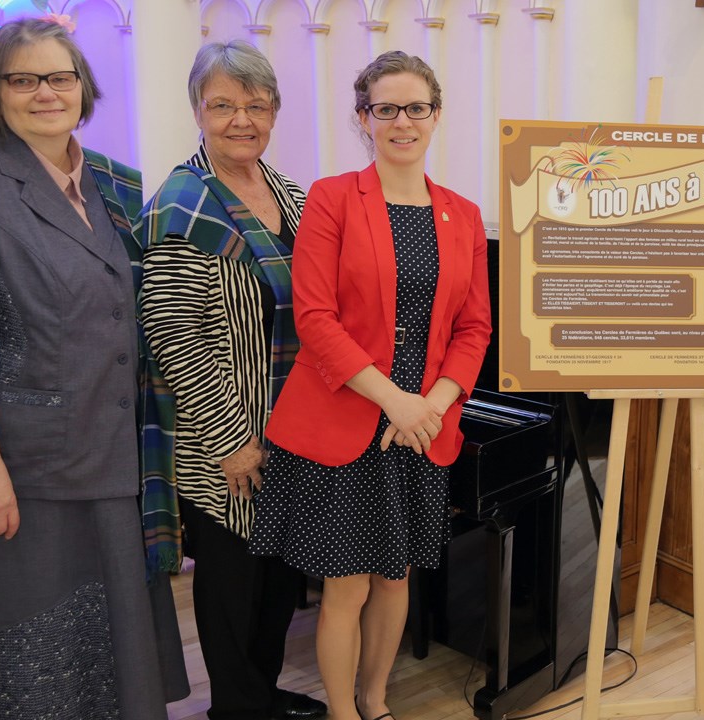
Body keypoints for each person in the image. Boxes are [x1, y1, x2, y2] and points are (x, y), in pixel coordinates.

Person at [0, 18, 188, 718]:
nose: (44, 93)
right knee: (19, 664)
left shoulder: (103, 183)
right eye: (22, 79)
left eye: (58, 77)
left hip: (99, 456)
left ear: (83, 88)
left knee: (97, 657)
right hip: (12, 474)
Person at [249, 50, 491, 720]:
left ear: (435, 115)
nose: (402, 121)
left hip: (423, 425)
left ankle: (376, 701)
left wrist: (434, 407)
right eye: (386, 109)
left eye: (416, 107)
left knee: (396, 576)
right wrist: (397, 401)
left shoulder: (463, 215)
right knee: (346, 585)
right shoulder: (332, 198)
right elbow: (315, 318)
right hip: (349, 418)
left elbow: (475, 330)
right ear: (364, 119)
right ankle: (342, 712)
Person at [137, 40, 325, 720]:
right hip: (228, 441)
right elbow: (173, 335)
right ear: (198, 111)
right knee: (233, 584)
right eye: (223, 105)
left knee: (278, 581)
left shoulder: (291, 195)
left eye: (256, 104)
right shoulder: (183, 205)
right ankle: (237, 710)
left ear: (274, 111)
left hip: (293, 429)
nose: (241, 119)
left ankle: (260, 694)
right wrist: (230, 440)